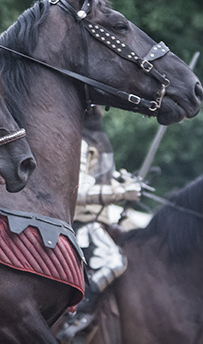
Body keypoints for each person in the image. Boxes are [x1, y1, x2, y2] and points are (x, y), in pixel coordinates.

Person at [58, 106, 142, 341]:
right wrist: (121, 191)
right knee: (114, 262)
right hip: (81, 221)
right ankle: (76, 316)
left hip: (97, 219)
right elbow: (80, 191)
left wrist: (124, 181)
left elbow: (100, 178)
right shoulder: (82, 141)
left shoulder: (97, 139)